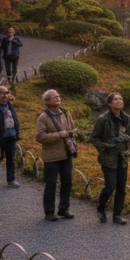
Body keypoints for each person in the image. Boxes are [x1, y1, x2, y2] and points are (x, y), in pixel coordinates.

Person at [91, 92, 130, 224]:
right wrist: (107, 146)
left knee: (121, 188)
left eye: (121, 99)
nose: (119, 101)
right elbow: (94, 139)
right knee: (110, 186)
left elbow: (129, 136)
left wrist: (125, 143)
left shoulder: (127, 118)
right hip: (108, 158)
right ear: (109, 103)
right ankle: (101, 209)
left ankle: (117, 215)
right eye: (116, 99)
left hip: (122, 158)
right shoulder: (103, 119)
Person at [34, 89, 76, 222]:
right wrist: (59, 135)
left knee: (67, 183)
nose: (57, 99)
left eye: (58, 96)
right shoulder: (43, 117)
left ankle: (64, 209)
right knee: (51, 185)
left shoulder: (66, 113)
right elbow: (40, 137)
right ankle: (49, 212)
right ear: (47, 102)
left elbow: (73, 129)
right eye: (54, 97)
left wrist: (71, 133)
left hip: (67, 154)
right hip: (51, 157)